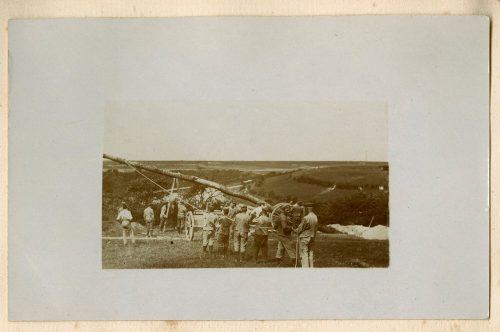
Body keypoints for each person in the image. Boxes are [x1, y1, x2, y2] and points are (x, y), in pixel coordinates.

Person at [295, 204, 319, 268]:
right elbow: (316, 228)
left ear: (307, 208)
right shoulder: (315, 217)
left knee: (304, 253)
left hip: (304, 237)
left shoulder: (306, 218)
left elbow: (300, 229)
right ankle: (311, 268)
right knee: (311, 253)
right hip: (312, 237)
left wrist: (294, 230)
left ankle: (305, 269)